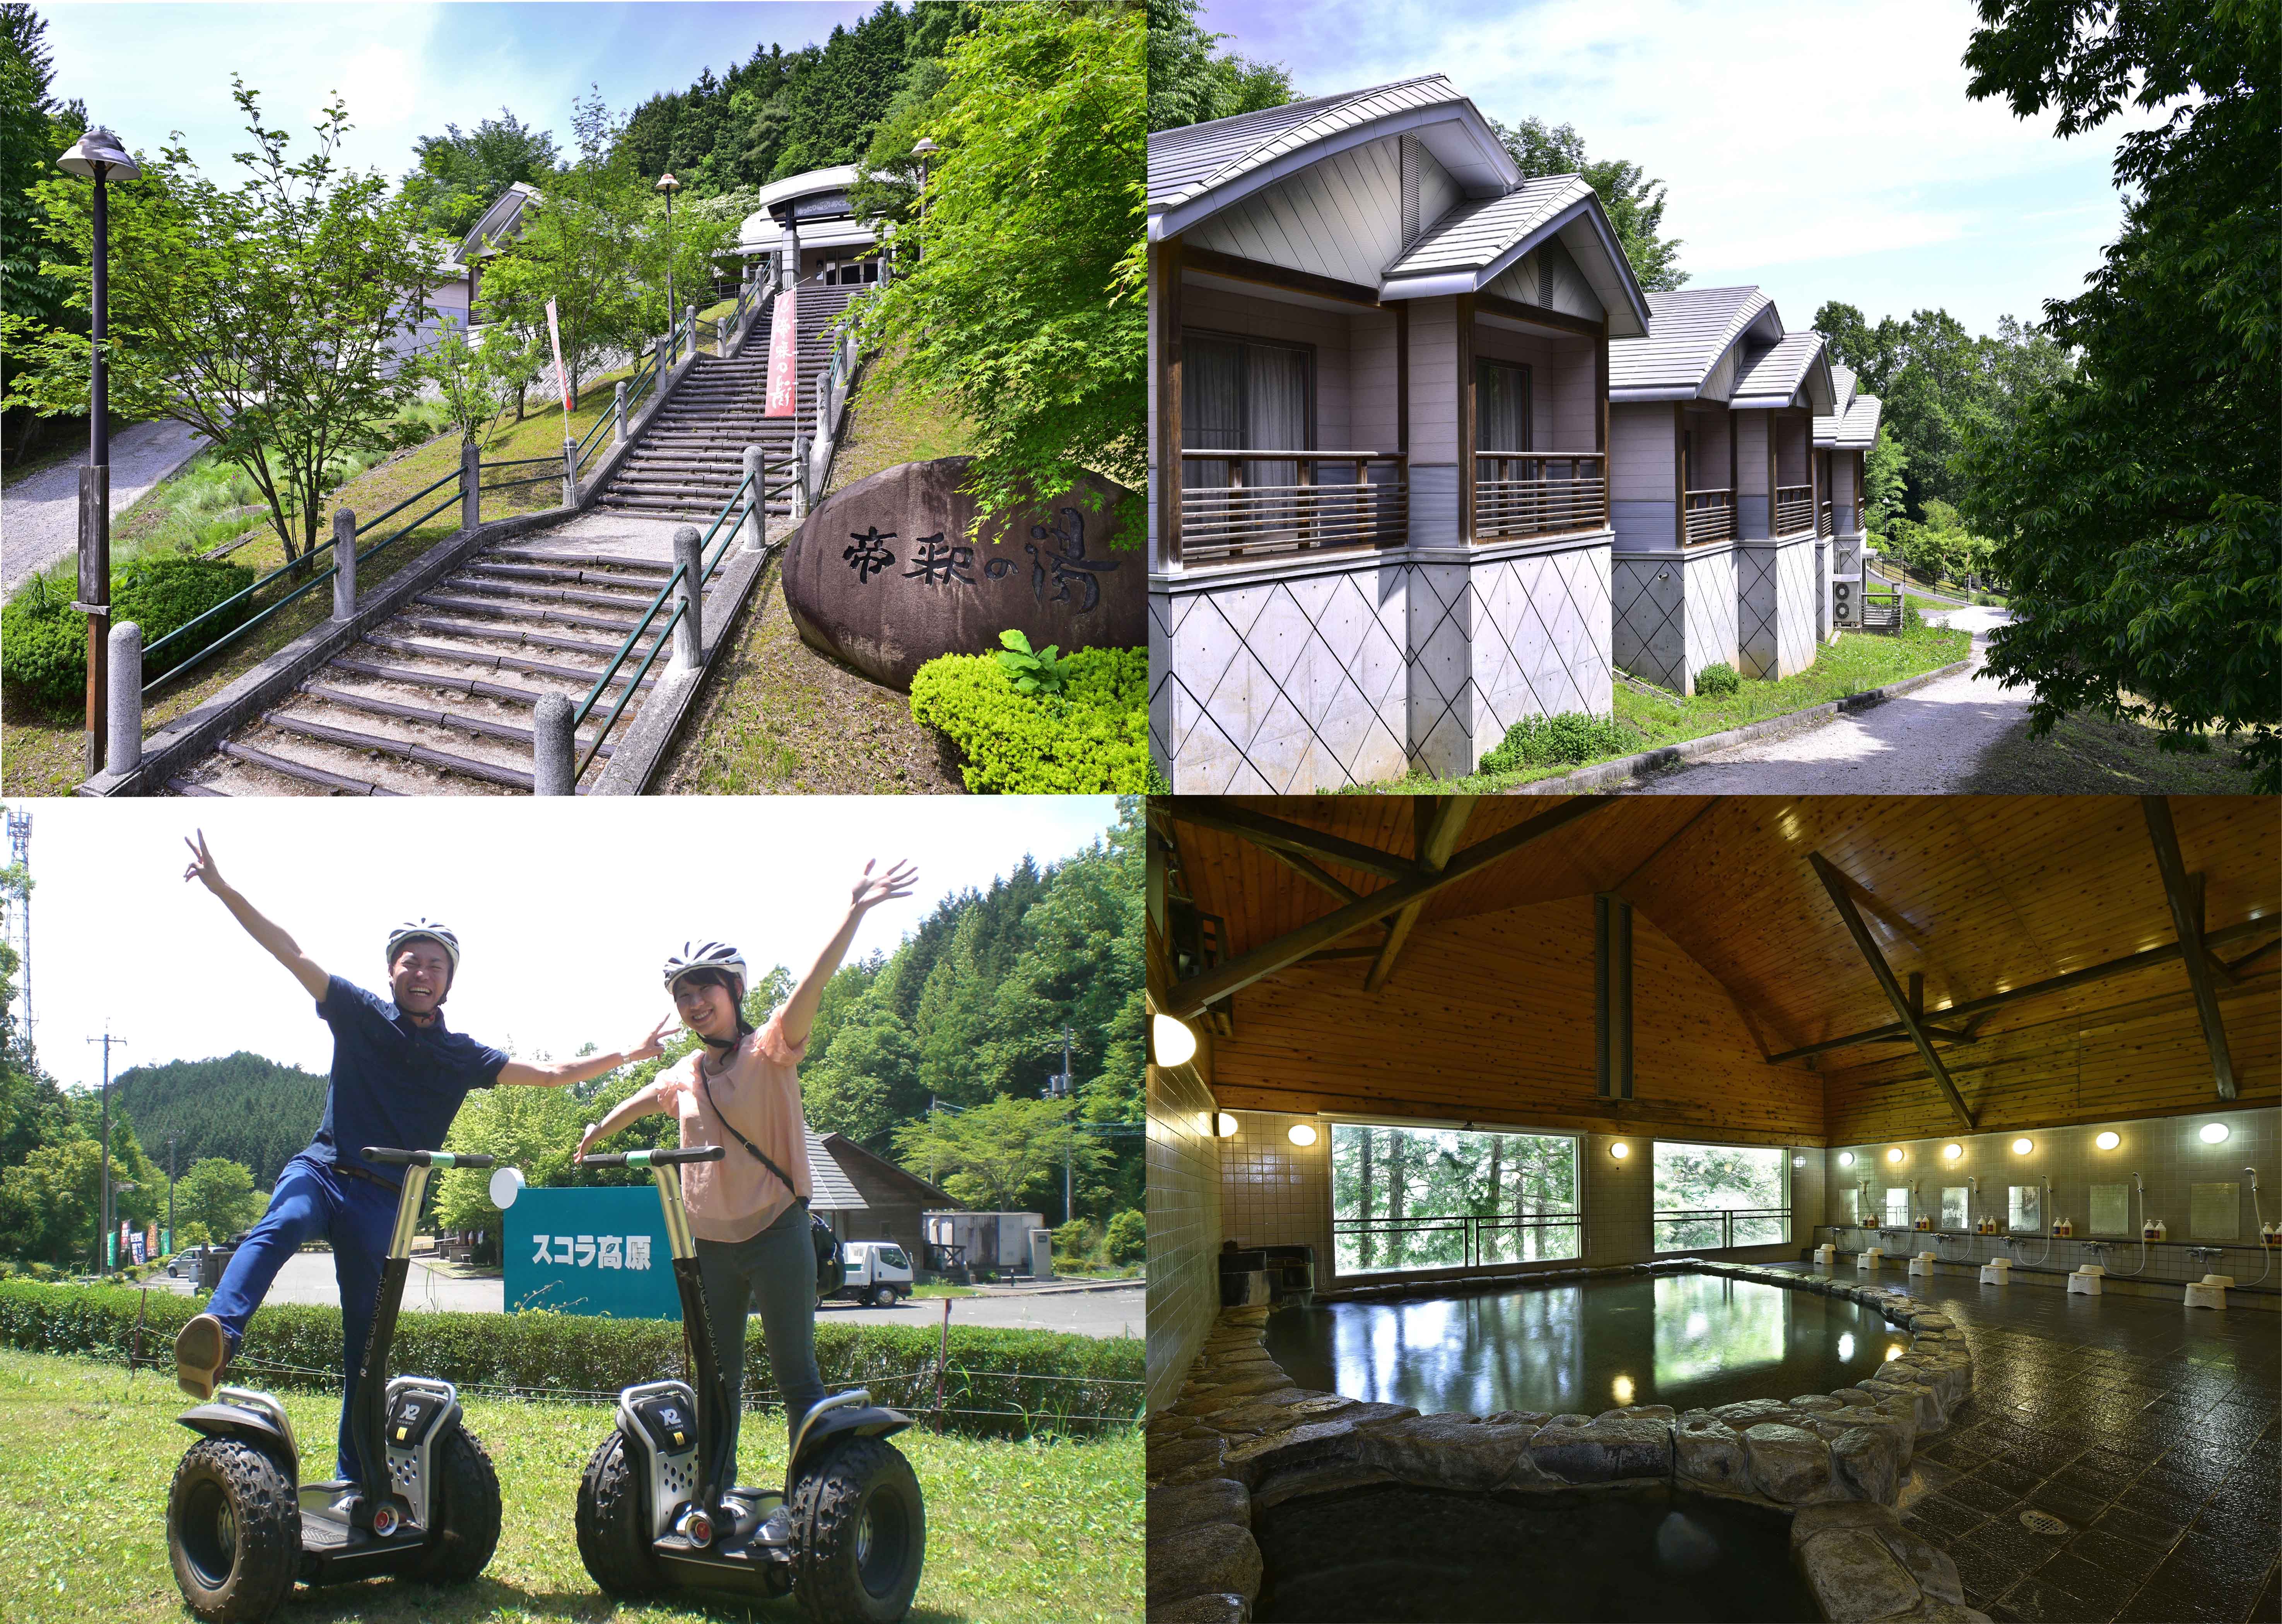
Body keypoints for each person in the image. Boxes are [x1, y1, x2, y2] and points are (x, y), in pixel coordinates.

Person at [172, 830, 675, 1481]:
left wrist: (627, 1055)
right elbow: (290, 951)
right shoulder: (358, 1013)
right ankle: (218, 1336)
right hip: (323, 1172)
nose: (421, 972)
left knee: (368, 1347)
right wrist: (222, 888)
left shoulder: (461, 1055)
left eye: (435, 965)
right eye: (410, 961)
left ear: (449, 982)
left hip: (385, 1203)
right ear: (391, 970)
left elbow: (553, 1074)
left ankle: (357, 1474)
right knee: (281, 1224)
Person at [576, 858, 917, 1534]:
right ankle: (714, 1495)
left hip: (776, 1233)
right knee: (717, 1378)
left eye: (705, 990)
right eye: (683, 996)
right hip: (710, 1246)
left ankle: (812, 1505)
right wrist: (598, 1127)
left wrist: (854, 912)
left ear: (733, 991)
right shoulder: (686, 1070)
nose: (694, 1004)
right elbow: (645, 1101)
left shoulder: (771, 1050)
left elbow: (814, 985)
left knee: (797, 1373)